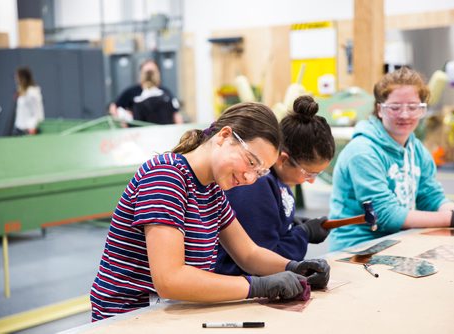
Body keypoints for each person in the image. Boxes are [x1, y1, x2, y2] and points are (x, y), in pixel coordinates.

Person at [91, 102, 330, 321]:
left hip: (169, 313)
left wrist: (294, 268)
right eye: (250, 162)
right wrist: (257, 286)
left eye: (259, 172)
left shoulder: (211, 190)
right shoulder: (166, 177)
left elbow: (248, 253)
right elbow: (169, 279)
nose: (249, 178)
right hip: (130, 319)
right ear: (224, 136)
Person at [328, 67, 454, 251]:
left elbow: (430, 198)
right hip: (356, 249)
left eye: (413, 107)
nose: (405, 115)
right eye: (395, 107)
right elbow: (385, 215)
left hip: (397, 241)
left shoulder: (417, 150)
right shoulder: (362, 152)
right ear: (380, 110)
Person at [215, 95, 335, 276]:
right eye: (308, 173)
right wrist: (303, 234)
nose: (311, 181)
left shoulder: (279, 182)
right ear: (283, 160)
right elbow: (261, 259)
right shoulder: (256, 185)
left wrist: (292, 226)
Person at [108, 59, 183, 124]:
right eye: (147, 73)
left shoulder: (166, 94)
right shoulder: (132, 93)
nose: (149, 76)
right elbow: (114, 107)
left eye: (152, 72)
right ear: (141, 74)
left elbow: (176, 115)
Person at [13, 67, 44, 135]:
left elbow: (38, 112)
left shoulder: (32, 92)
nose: (16, 79)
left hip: (29, 130)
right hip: (19, 128)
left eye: (17, 77)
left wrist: (32, 126)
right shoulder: (21, 91)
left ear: (23, 78)